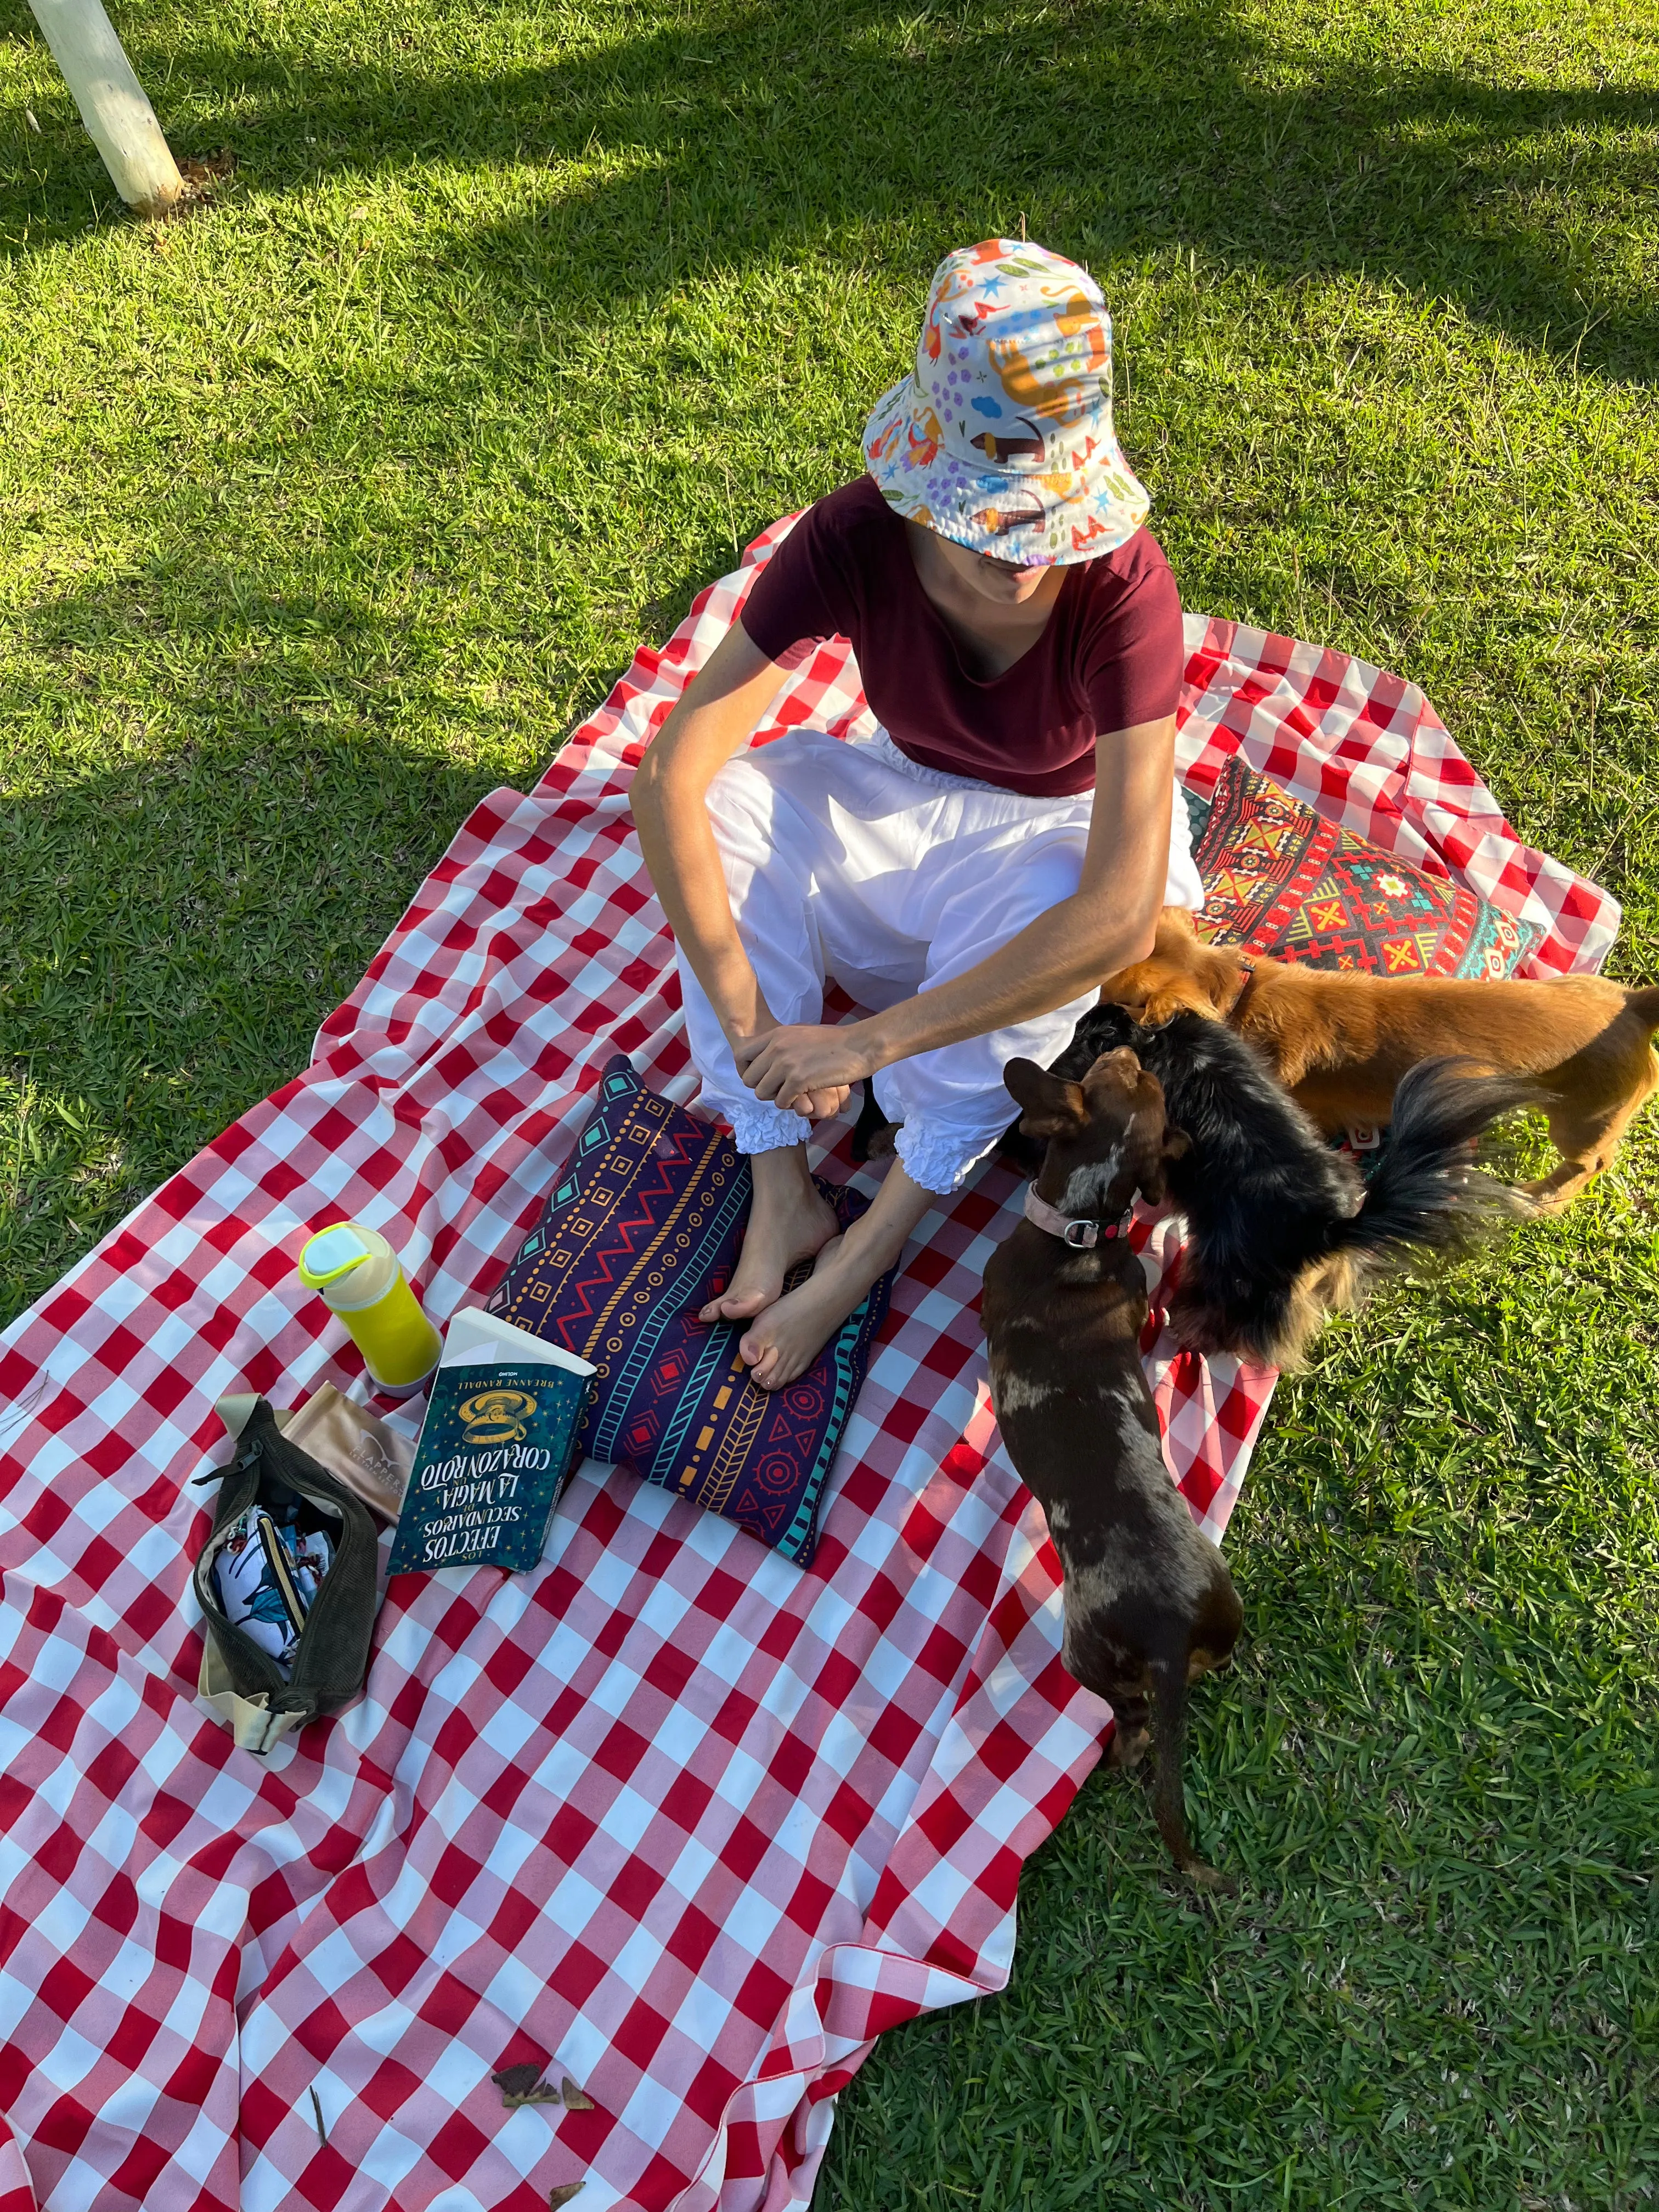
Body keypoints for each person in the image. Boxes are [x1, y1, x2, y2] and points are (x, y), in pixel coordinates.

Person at [630, 238, 1203, 1391]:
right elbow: (669, 775)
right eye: (992, 528)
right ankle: (780, 1181)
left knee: (1050, 914)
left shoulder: (1125, 585)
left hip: (1055, 827)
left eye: (1054, 530)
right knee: (741, 804)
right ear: (923, 487)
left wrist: (862, 1043)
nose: (1022, 569)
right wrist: (758, 1040)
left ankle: (875, 1237)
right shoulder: (852, 536)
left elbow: (1120, 914)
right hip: (906, 796)